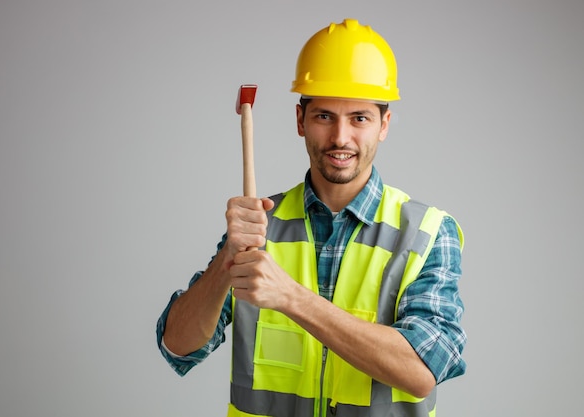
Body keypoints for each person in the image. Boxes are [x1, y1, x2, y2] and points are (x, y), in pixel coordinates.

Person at [156, 18, 466, 417]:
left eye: (359, 118)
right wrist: (226, 262)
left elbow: (424, 368)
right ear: (300, 120)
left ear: (383, 125)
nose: (340, 137)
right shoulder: (259, 226)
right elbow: (178, 348)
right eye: (324, 116)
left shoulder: (426, 233)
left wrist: (290, 297)